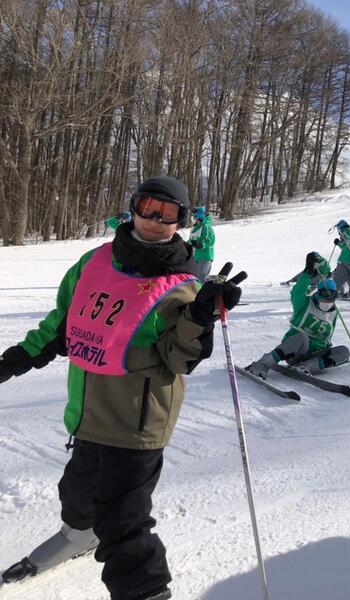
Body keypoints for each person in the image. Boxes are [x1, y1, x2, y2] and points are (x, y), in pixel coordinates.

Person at [0, 175, 245, 600]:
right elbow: (62, 324)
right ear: (133, 206)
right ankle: (80, 534)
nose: (155, 219)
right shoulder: (93, 262)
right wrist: (18, 358)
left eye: (168, 213)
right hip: (88, 412)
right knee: (77, 494)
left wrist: (199, 316)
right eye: (148, 206)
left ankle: (147, 592)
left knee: (123, 523)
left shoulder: (182, 287)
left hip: (136, 421)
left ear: (182, 221)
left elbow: (179, 359)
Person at [245, 277, 350, 378]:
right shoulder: (305, 303)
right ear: (318, 293)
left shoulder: (333, 312)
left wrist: (327, 355)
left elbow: (327, 337)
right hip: (296, 350)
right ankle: (262, 364)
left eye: (332, 296)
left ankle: (305, 367)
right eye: (325, 295)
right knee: (303, 337)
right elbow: (297, 292)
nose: (327, 300)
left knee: (344, 351)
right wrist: (306, 275)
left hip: (314, 355)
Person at [188, 206, 215, 283]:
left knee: (201, 279)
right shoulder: (195, 228)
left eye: (194, 217)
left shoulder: (206, 226)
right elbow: (191, 241)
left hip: (205, 256)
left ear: (198, 218)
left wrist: (201, 244)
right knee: (194, 279)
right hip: (196, 256)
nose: (193, 219)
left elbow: (210, 241)